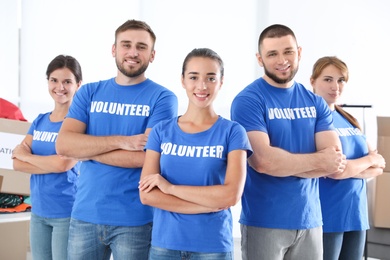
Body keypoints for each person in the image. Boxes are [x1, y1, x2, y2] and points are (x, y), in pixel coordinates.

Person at [55, 19, 178, 259]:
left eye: (141, 47)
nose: (133, 52)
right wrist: (124, 141)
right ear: (114, 49)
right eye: (126, 45)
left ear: (152, 55)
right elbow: (64, 145)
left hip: (136, 219)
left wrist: (85, 150)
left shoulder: (163, 98)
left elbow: (146, 158)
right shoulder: (89, 92)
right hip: (85, 214)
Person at [230, 24, 348, 260]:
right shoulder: (248, 100)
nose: (282, 60)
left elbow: (334, 162)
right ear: (259, 58)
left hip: (311, 220)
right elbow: (263, 161)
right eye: (272, 54)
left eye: (288, 52)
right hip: (265, 221)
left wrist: (285, 163)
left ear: (299, 52)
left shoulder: (315, 103)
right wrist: (316, 162)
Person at [138, 48, 252, 260]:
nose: (202, 86)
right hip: (166, 245)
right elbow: (147, 195)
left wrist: (170, 188)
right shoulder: (161, 132)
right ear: (183, 80)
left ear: (221, 81)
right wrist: (206, 204)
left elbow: (231, 195)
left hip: (212, 246)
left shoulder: (233, 132)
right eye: (194, 77)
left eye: (210, 78)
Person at [310, 56, 386, 260]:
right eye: (328, 79)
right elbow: (337, 170)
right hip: (329, 215)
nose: (335, 86)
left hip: (356, 214)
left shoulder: (347, 118)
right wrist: (368, 161)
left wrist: (358, 166)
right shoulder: (313, 120)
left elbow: (380, 164)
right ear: (313, 82)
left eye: (341, 80)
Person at [12, 54, 82, 260]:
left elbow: (64, 163)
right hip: (38, 211)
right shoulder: (40, 121)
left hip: (66, 213)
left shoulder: (79, 124)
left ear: (78, 84)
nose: (60, 87)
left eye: (67, 81)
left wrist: (29, 157)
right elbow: (17, 163)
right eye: (54, 80)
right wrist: (51, 163)